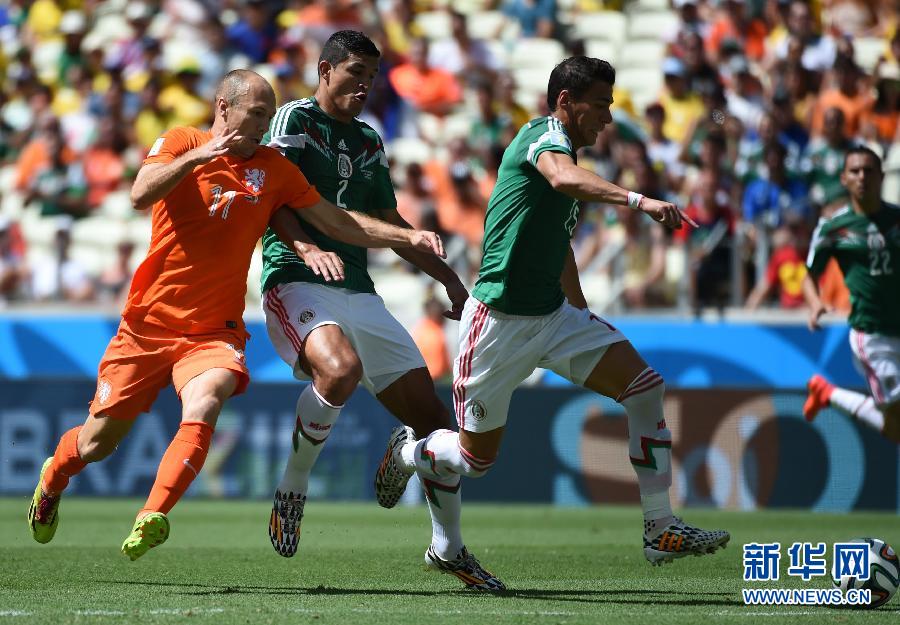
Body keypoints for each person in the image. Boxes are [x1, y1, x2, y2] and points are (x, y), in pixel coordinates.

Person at [27, 69, 446, 561]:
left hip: (214, 328)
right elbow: (140, 194)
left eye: (270, 115)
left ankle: (152, 515)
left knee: (207, 401)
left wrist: (406, 236)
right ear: (224, 107)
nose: (265, 125)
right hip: (148, 325)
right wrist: (199, 156)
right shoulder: (183, 141)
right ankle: (54, 476)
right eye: (257, 114)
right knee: (97, 442)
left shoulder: (273, 168)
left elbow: (335, 220)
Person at [384, 56, 730, 570]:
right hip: (497, 324)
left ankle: (660, 526)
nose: (608, 118)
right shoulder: (539, 139)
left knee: (645, 388)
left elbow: (560, 246)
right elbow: (564, 178)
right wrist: (640, 201)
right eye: (600, 106)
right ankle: (410, 454)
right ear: (566, 102)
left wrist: (583, 314)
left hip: (553, 317)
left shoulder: (566, 157)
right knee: (477, 462)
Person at [261, 31, 503, 591]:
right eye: (355, 73)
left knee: (440, 429)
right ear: (324, 69)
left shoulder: (368, 140)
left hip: (357, 288)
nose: (365, 85)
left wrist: (451, 282)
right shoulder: (294, 121)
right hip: (296, 279)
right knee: (340, 371)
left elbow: (389, 221)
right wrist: (305, 247)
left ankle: (445, 542)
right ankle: (293, 485)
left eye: (372, 75)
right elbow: (269, 198)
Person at [802, 147, 900, 442]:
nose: (862, 177)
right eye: (855, 171)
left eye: (869, 171)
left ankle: (828, 393)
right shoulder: (833, 227)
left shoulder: (897, 218)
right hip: (872, 336)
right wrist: (815, 302)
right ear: (843, 179)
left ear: (882, 176)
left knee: (896, 431)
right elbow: (808, 273)